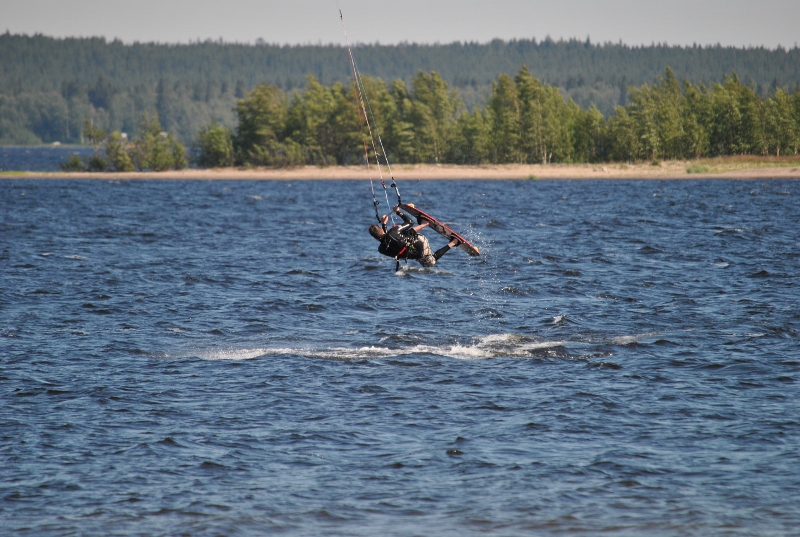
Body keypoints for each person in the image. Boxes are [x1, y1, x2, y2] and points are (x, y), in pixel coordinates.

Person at [368, 205, 460, 267]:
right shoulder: (393, 231)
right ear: (381, 230)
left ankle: (453, 242)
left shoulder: (381, 250)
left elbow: (386, 239)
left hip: (415, 251)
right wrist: (398, 212)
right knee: (405, 235)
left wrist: (384, 225)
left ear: (374, 238)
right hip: (419, 242)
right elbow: (410, 222)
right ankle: (424, 224)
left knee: (431, 263)